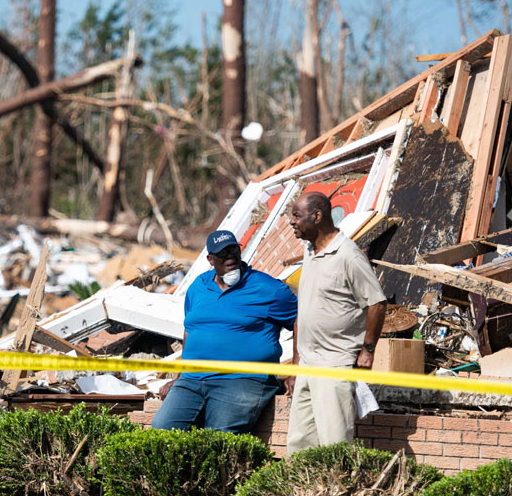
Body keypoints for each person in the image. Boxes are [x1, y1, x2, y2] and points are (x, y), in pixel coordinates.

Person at [152, 229, 298, 434]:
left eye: (233, 250)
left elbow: (302, 320)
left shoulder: (268, 288)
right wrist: (179, 377)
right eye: (222, 253)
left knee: (220, 437)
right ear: (210, 260)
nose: (230, 256)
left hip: (242, 379)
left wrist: (297, 370)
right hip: (193, 379)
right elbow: (191, 332)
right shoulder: (198, 287)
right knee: (162, 429)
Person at [285, 191, 386, 453]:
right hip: (307, 365)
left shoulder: (348, 256)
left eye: (297, 216)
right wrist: (296, 363)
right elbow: (304, 309)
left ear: (317, 217)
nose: (291, 221)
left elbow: (377, 303)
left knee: (334, 447)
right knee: (299, 447)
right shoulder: (310, 251)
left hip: (334, 364)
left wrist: (368, 350)